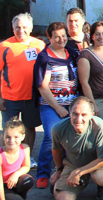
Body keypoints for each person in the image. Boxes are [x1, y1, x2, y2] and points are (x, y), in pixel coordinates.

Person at [0, 13, 44, 169]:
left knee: (29, 128)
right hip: (10, 98)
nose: (21, 30)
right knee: (9, 130)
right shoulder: (4, 46)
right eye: (18, 27)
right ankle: (6, 161)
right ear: (13, 28)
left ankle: (27, 157)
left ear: (31, 28)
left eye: (25, 27)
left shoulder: (39, 45)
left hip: (32, 97)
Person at [34, 22, 80, 189]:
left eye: (64, 36)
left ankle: (64, 169)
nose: (61, 39)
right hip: (51, 105)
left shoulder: (72, 54)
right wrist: (58, 107)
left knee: (72, 136)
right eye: (57, 37)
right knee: (50, 135)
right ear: (50, 38)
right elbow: (42, 86)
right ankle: (43, 173)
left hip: (72, 103)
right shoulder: (45, 57)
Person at [50, 97, 103, 200]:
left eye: (84, 115)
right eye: (75, 114)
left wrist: (79, 172)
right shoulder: (59, 129)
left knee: (102, 178)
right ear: (70, 113)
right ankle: (59, 186)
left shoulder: (100, 126)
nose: (78, 119)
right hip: (73, 164)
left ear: (91, 115)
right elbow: (56, 150)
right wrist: (59, 169)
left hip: (97, 163)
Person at [0, 118, 34, 200]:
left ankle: (18, 198)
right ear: (3, 137)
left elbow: (26, 166)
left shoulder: (25, 148)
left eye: (16, 137)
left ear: (23, 136)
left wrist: (15, 174)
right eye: (8, 137)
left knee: (28, 180)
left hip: (10, 181)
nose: (11, 141)